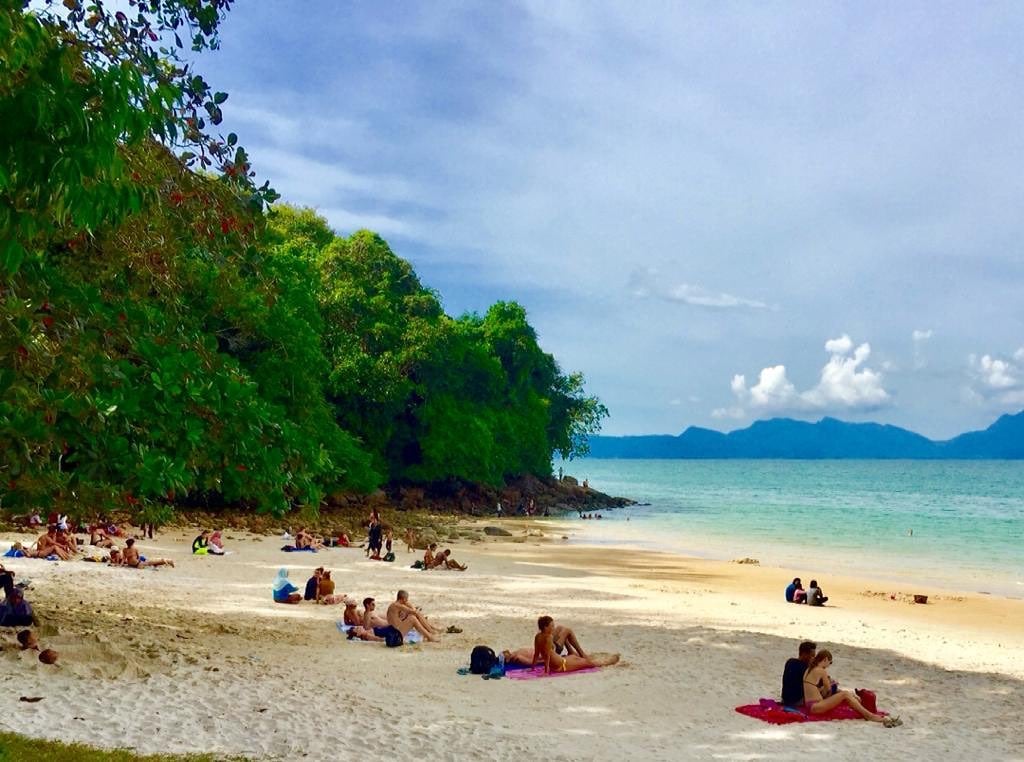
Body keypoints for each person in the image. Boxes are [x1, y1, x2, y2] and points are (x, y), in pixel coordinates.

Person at [803, 650, 900, 725]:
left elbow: (815, 691)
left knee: (844, 694)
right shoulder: (821, 670)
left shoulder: (809, 669)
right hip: (816, 706)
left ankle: (866, 713)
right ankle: (869, 715)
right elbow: (827, 693)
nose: (828, 666)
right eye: (830, 662)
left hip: (810, 705)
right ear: (825, 660)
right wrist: (832, 684)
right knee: (845, 694)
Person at [781, 640, 816, 708]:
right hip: (797, 701)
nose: (813, 658)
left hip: (785, 699)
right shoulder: (805, 668)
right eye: (812, 656)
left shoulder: (790, 662)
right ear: (804, 654)